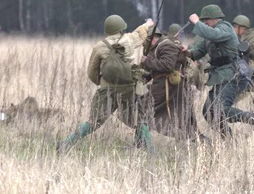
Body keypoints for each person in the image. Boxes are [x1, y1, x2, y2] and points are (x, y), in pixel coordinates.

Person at [57, 15, 155, 153]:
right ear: (121, 27)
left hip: (107, 89)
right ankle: (151, 150)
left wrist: (102, 82)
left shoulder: (99, 47)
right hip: (128, 88)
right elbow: (140, 34)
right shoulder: (128, 39)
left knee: (94, 121)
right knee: (140, 120)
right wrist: (148, 24)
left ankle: (66, 144)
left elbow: (91, 71)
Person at [185, 5, 254, 137]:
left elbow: (213, 35)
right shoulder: (209, 35)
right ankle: (228, 139)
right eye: (203, 20)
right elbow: (198, 51)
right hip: (219, 76)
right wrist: (187, 53)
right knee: (208, 112)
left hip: (232, 75)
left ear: (215, 18)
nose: (204, 23)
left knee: (221, 109)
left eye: (206, 20)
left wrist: (196, 22)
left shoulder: (225, 28)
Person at [141, 26, 200, 141]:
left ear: (150, 38)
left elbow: (167, 66)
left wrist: (146, 61)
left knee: (145, 113)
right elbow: (154, 70)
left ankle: (144, 146)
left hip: (167, 87)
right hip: (168, 86)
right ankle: (201, 142)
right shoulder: (158, 47)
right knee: (186, 123)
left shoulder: (165, 45)